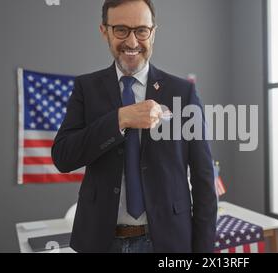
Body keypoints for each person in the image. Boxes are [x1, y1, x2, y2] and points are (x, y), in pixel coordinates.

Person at [51, 0, 217, 253]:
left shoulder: (182, 92)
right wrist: (120, 119)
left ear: (153, 31)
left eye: (141, 30)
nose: (131, 42)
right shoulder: (86, 88)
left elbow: (204, 178)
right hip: (100, 242)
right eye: (121, 30)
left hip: (168, 242)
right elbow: (64, 157)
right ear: (104, 31)